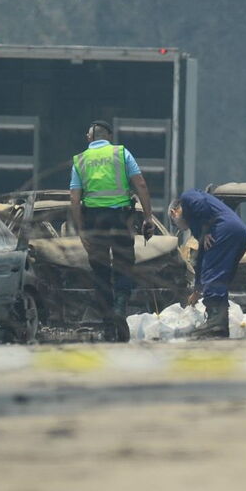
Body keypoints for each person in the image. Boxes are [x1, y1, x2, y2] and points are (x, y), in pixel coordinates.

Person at [70, 120, 154, 342]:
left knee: (100, 273)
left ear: (89, 137)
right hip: (120, 218)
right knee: (124, 264)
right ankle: (119, 307)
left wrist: (80, 230)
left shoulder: (80, 160)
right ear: (109, 136)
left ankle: (108, 324)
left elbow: (75, 199)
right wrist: (148, 218)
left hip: (93, 221)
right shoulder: (122, 153)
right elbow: (141, 185)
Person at [169, 190, 246, 339]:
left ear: (174, 212)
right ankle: (220, 325)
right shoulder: (197, 225)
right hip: (240, 232)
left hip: (225, 230)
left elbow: (201, 203)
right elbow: (202, 259)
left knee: (213, 275)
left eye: (176, 225)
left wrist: (206, 230)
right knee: (219, 276)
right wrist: (197, 289)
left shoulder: (187, 198)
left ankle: (215, 323)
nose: (181, 229)